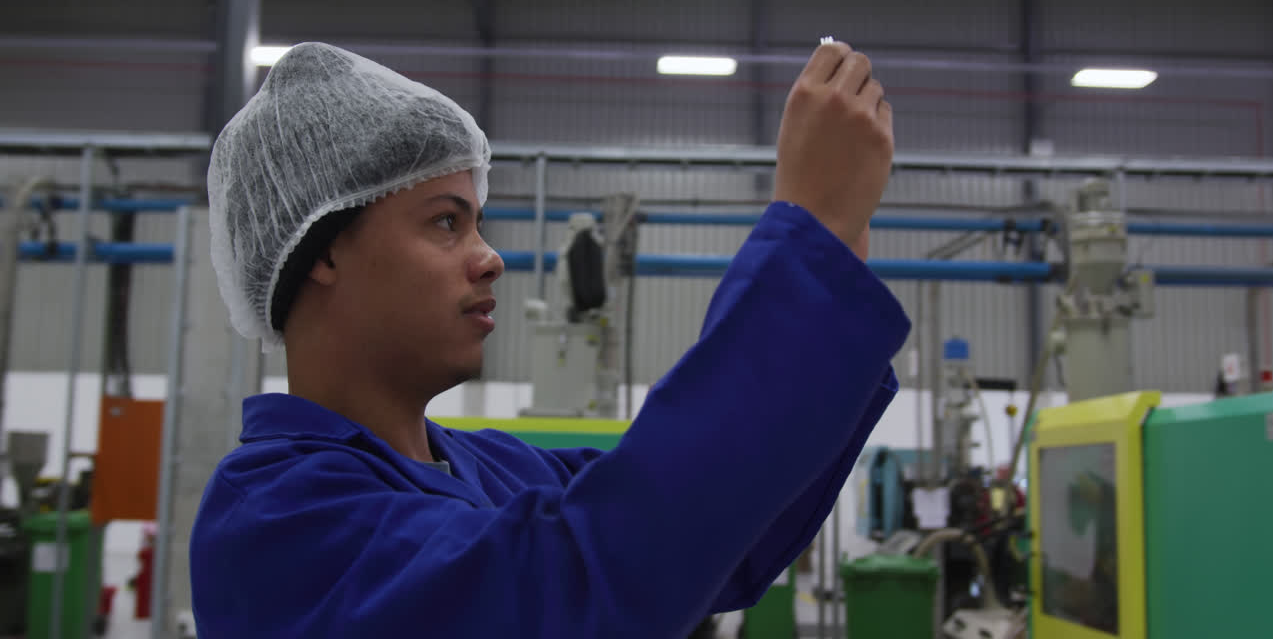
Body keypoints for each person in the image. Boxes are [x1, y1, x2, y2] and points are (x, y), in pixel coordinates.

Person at [191, 40, 908, 638]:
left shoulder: (494, 468)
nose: (489, 256)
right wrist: (807, 247)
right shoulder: (276, 524)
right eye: (446, 222)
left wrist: (833, 253)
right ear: (322, 252)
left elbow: (721, 537)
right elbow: (584, 580)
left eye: (477, 222)